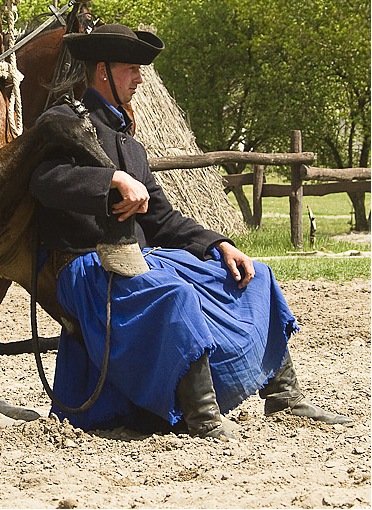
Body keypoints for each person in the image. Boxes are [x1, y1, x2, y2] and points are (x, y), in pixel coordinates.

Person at [29, 24, 352, 440]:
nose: (140, 79)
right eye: (132, 69)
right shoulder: (62, 120)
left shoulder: (131, 144)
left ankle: (284, 396)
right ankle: (201, 415)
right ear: (103, 72)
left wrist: (218, 244)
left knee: (253, 277)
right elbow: (43, 180)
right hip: (86, 266)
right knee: (172, 294)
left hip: (140, 260)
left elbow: (161, 218)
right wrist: (111, 181)